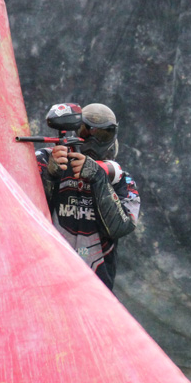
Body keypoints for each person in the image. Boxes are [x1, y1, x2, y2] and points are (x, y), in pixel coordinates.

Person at [35, 102, 140, 290]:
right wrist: (50, 176)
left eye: (102, 135)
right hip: (46, 275)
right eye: (86, 132)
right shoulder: (47, 160)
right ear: (76, 129)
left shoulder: (121, 179)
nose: (93, 141)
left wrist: (98, 178)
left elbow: (121, 227)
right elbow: (23, 211)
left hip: (95, 286)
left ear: (112, 136)